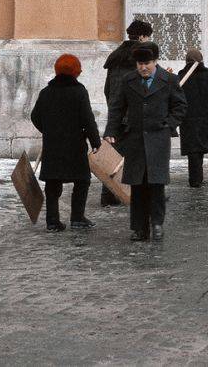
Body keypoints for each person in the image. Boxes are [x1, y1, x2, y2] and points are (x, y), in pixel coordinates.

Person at [103, 42, 187, 242]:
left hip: (158, 140)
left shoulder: (168, 80)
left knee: (157, 185)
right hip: (135, 140)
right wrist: (111, 130)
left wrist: (169, 124)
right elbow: (117, 108)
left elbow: (180, 106)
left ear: (155, 62)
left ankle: (157, 224)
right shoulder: (128, 80)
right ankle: (139, 228)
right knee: (138, 186)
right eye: (140, 64)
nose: (143, 68)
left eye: (147, 63)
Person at [31, 54, 101, 232]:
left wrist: (47, 130)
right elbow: (88, 118)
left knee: (53, 183)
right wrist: (95, 141)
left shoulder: (46, 92)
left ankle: (52, 222)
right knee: (82, 180)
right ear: (75, 71)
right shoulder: (79, 91)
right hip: (75, 145)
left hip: (53, 145)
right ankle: (77, 218)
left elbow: (35, 116)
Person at [100, 19, 153, 206]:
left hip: (117, 113)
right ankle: (143, 195)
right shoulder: (140, 59)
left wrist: (114, 109)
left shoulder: (116, 57)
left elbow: (108, 89)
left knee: (115, 155)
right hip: (134, 115)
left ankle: (109, 195)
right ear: (141, 36)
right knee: (140, 156)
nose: (148, 40)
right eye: (147, 36)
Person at [177, 48, 208, 188]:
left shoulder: (181, 76)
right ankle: (196, 178)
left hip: (187, 118)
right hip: (204, 118)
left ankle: (195, 178)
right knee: (200, 148)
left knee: (193, 150)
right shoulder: (207, 75)